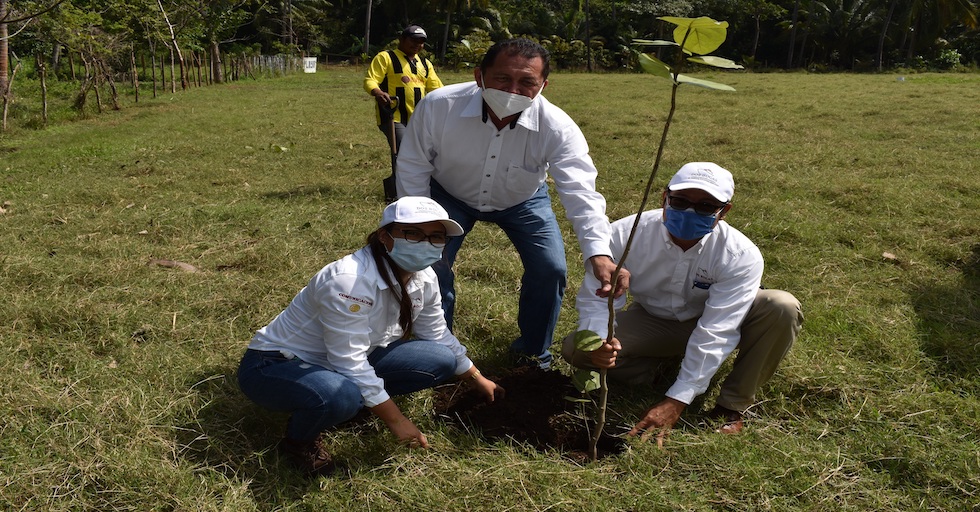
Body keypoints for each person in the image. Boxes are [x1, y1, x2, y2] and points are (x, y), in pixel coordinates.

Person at [395, 38, 625, 369]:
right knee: (431, 265)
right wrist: (417, 223)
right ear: (480, 76)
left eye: (527, 82)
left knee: (551, 269)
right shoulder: (438, 106)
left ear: (544, 85)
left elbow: (581, 193)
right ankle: (436, 352)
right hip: (449, 195)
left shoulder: (557, 127)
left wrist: (599, 253)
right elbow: (414, 165)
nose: (513, 90)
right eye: (503, 78)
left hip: (524, 200)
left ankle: (533, 353)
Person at [237, 196, 503, 475]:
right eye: (412, 233)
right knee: (340, 395)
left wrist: (477, 378)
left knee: (441, 359)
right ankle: (298, 442)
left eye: (436, 237)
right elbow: (348, 361)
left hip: (351, 356)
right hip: (276, 364)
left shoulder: (424, 276)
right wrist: (396, 420)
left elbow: (436, 333)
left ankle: (352, 406)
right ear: (384, 237)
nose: (425, 243)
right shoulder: (349, 281)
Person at [562, 162, 803, 440]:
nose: (690, 211)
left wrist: (677, 400)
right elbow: (598, 297)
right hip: (655, 318)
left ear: (724, 211)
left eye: (705, 206)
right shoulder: (625, 233)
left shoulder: (739, 254)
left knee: (781, 306)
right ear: (664, 198)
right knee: (578, 349)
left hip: (718, 319)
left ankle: (731, 406)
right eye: (680, 201)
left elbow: (718, 329)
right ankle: (655, 369)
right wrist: (602, 338)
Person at [363, 25, 443, 153]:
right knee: (406, 151)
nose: (418, 44)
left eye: (421, 42)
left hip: (419, 119)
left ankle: (398, 173)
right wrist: (378, 92)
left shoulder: (425, 63)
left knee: (424, 154)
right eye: (414, 40)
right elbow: (370, 80)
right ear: (402, 39)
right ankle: (400, 173)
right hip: (393, 117)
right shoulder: (386, 57)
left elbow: (437, 89)